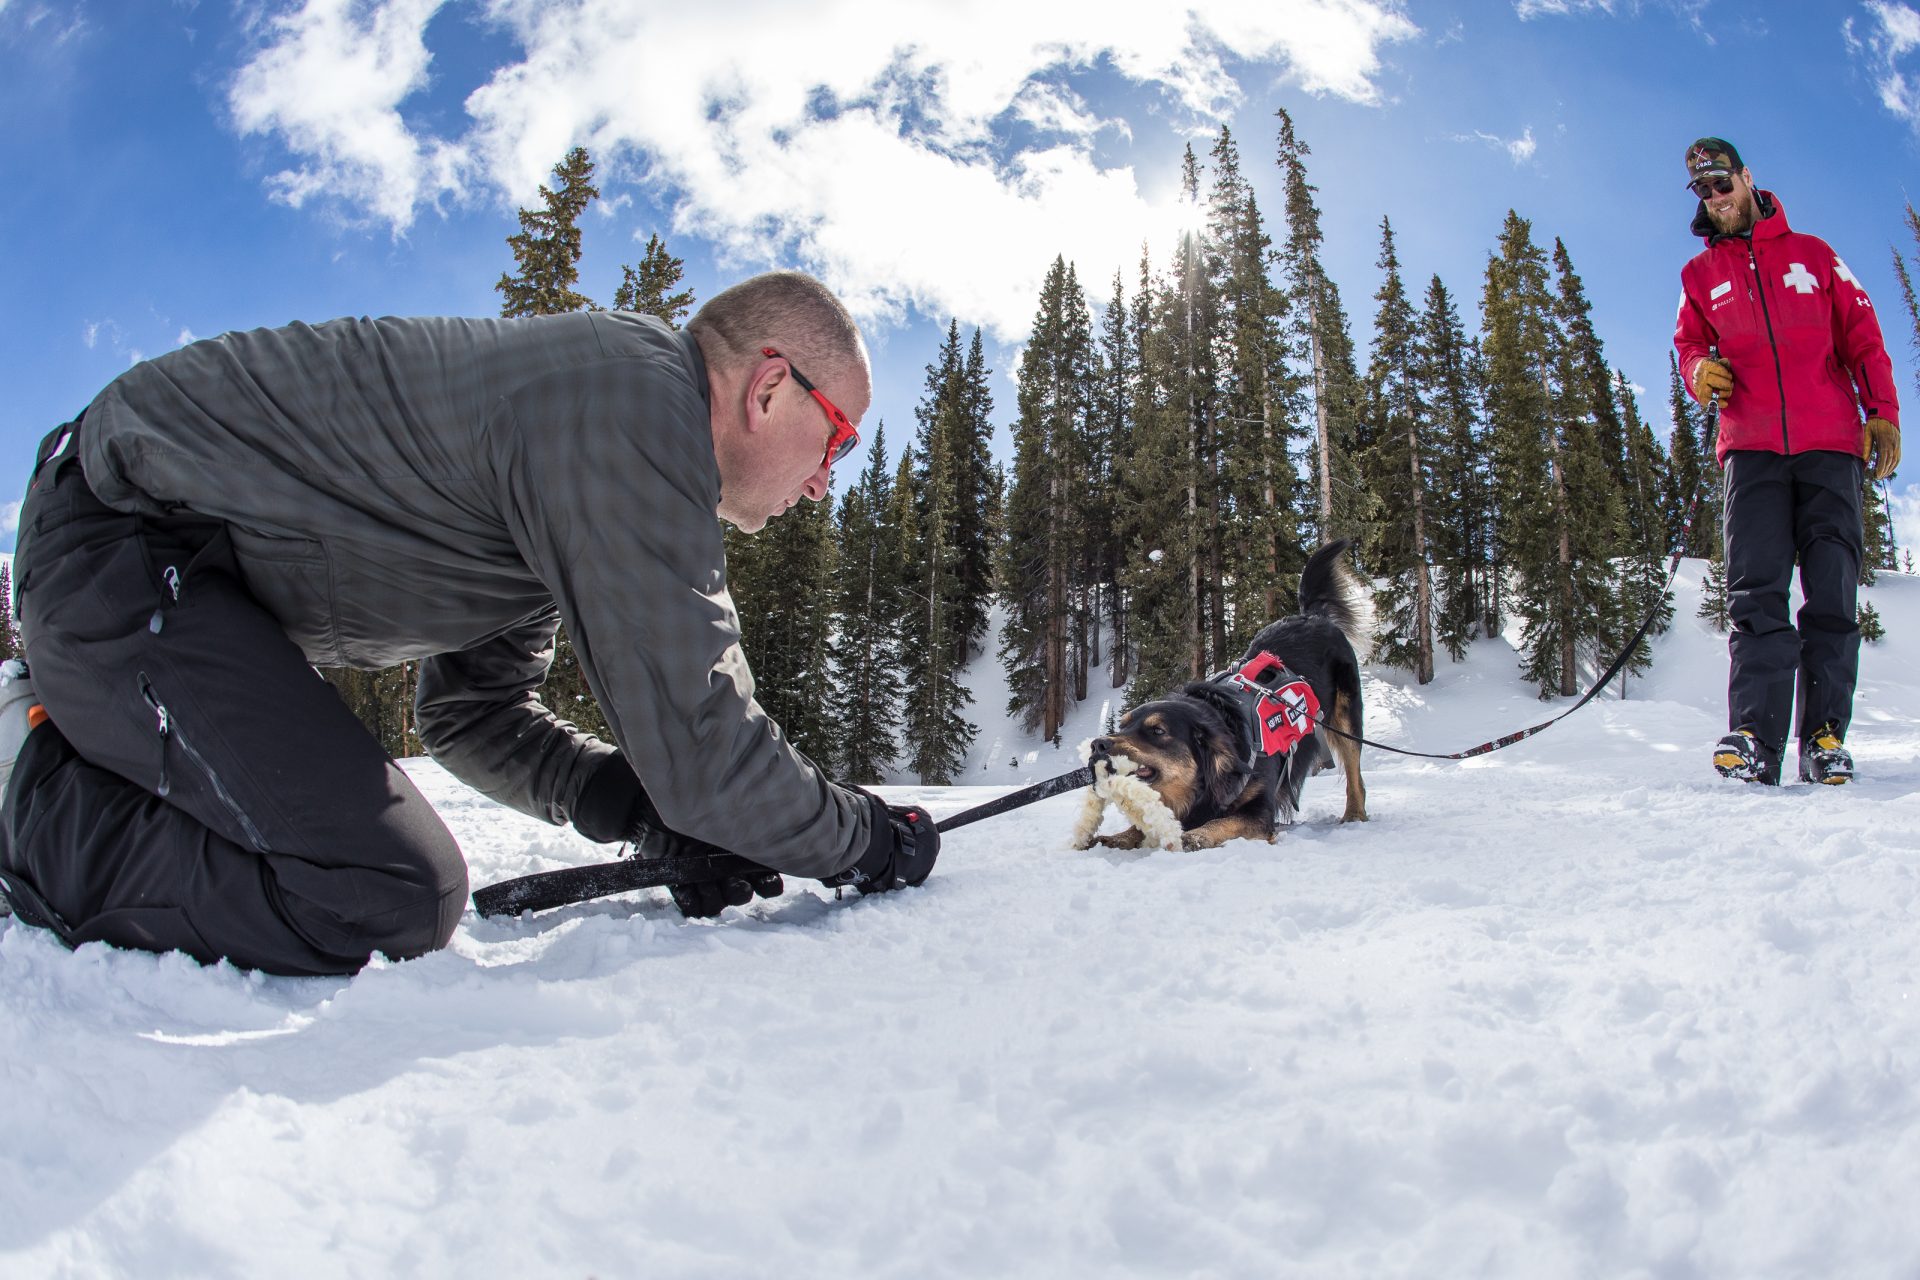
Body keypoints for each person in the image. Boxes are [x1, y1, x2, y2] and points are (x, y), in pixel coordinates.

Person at [0, 271, 938, 974]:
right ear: (768, 385)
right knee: (385, 893)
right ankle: (26, 798)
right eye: (838, 439)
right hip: (124, 538)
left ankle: (70, 739)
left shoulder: (582, 454)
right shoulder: (633, 402)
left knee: (390, 886)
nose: (825, 482)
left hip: (178, 582)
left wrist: (639, 812)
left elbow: (471, 715)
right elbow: (705, 744)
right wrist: (865, 839)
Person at [1673, 137, 1901, 786]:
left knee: (1831, 590)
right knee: (1756, 592)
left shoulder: (1815, 255)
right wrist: (1698, 371)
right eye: (1704, 191)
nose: (1715, 199)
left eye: (1723, 183)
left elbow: (1863, 332)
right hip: (1751, 451)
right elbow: (1689, 344)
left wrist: (1880, 408)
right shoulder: (1700, 276)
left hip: (1829, 444)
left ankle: (1825, 737)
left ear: (1747, 178)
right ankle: (1754, 737)